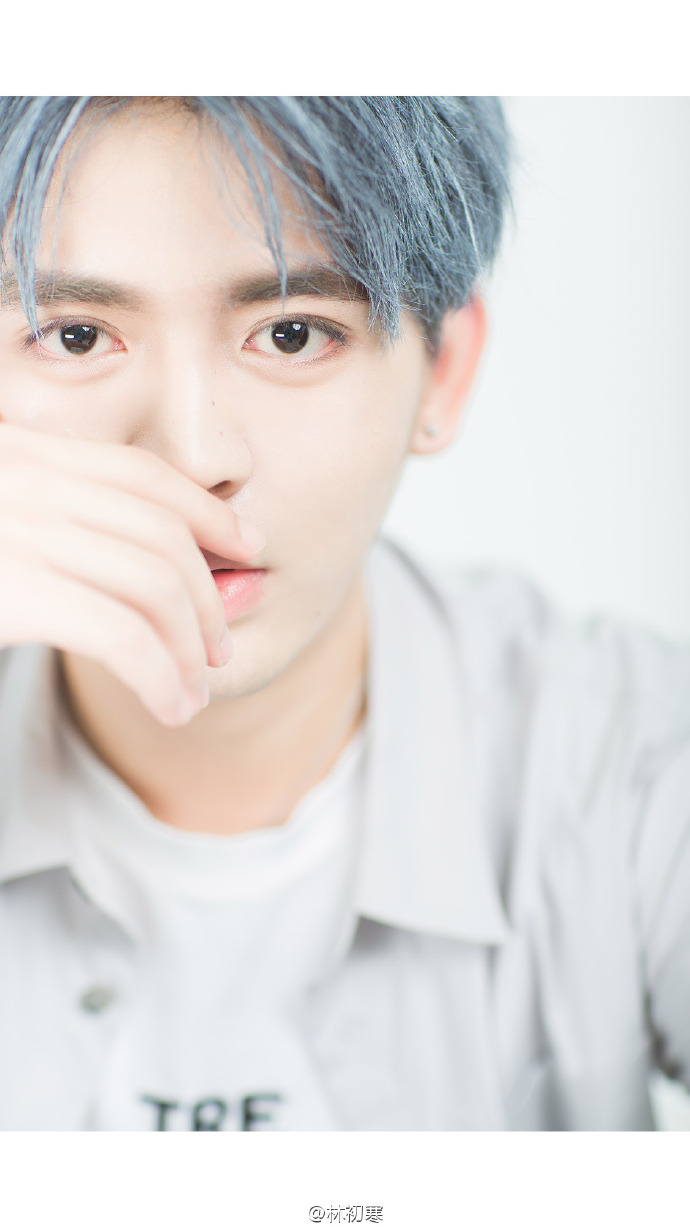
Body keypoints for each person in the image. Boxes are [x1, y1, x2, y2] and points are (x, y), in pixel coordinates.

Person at [0, 96, 687, 1132]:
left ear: (442, 372)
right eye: (77, 335)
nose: (195, 456)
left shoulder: (628, 760)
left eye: (292, 333)